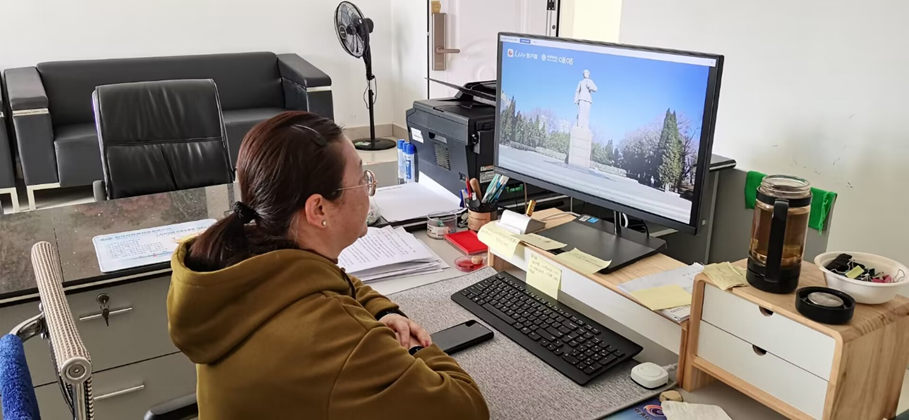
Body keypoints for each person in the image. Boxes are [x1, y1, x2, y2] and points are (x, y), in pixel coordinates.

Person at [167, 111, 489, 419]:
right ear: (318, 209)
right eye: (361, 179)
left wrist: (383, 312)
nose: (369, 188)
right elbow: (466, 408)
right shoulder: (335, 335)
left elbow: (335, 280)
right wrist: (418, 347)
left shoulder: (244, 263)